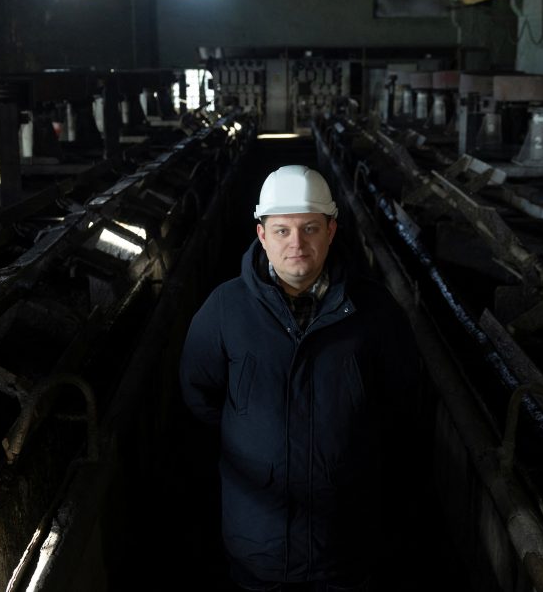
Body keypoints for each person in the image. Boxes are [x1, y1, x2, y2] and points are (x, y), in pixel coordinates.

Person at [180, 164, 421, 591]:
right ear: (261, 235)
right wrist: (254, 439)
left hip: (344, 540)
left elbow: (401, 398)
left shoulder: (375, 311)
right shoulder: (225, 309)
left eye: (310, 228)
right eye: (282, 231)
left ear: (331, 230)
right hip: (258, 541)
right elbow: (199, 392)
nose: (297, 244)